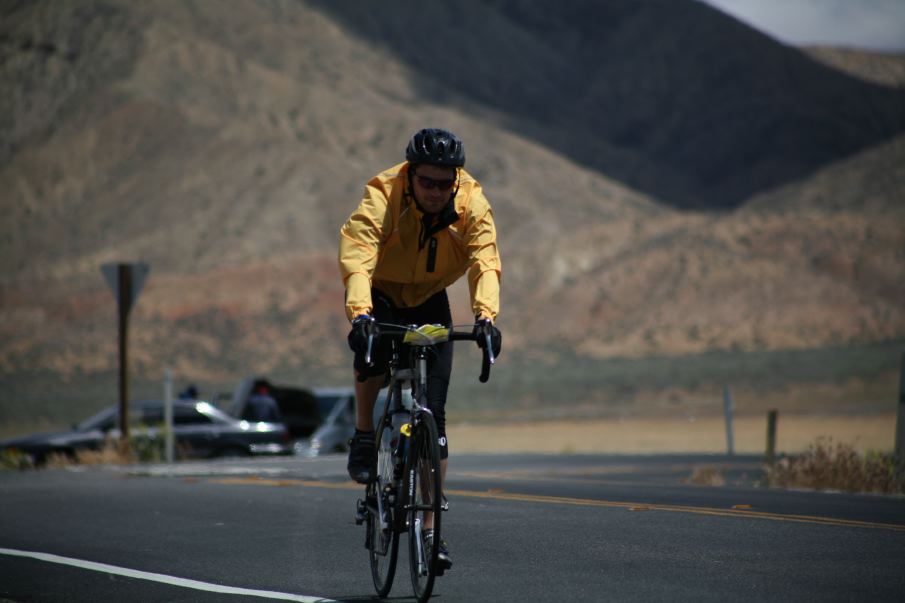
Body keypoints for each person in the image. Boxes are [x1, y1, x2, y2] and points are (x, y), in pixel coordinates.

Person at [339, 128, 503, 571]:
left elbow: (485, 259)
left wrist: (487, 317)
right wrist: (360, 315)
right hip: (382, 294)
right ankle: (364, 434)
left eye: (443, 183)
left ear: (456, 179)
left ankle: (431, 532)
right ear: (410, 175)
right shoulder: (384, 194)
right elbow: (358, 251)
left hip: (431, 298)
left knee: (435, 414)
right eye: (426, 182)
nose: (435, 191)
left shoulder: (471, 201)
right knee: (370, 352)